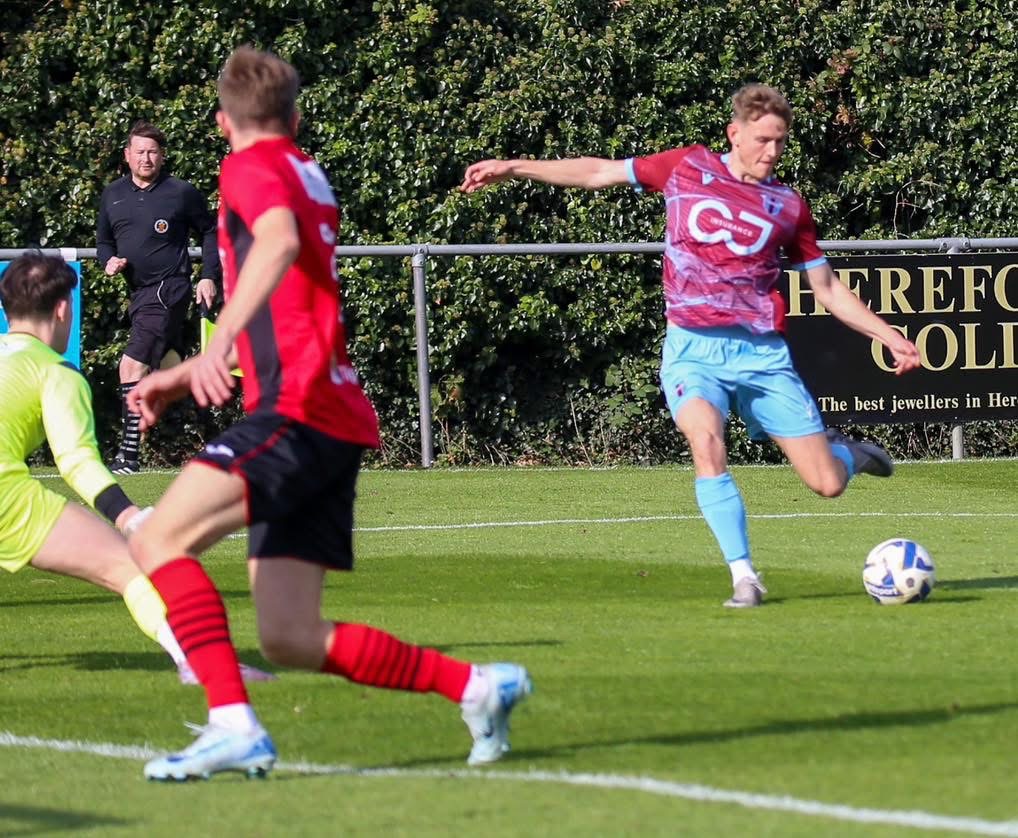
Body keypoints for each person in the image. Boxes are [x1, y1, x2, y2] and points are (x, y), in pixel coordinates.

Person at [128, 46, 531, 782]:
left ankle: (232, 724)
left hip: (299, 408)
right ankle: (474, 687)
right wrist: (187, 373)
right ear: (298, 114)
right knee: (288, 636)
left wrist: (210, 351)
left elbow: (276, 246)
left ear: (223, 121)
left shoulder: (249, 165)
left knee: (157, 537)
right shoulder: (305, 170)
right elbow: (289, 293)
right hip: (333, 415)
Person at [461, 83, 922, 608]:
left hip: (762, 357)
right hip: (693, 350)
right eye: (763, 140)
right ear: (735, 133)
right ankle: (744, 576)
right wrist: (513, 166)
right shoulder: (686, 168)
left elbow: (829, 289)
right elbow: (599, 171)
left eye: (780, 142)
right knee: (706, 443)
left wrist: (888, 335)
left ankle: (851, 455)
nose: (771, 152)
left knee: (827, 484)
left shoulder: (788, 207)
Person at [0, 252, 193, 679]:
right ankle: (197, 663)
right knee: (129, 566)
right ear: (64, 308)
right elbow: (76, 460)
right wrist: (128, 517)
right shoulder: (56, 372)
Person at [97, 119, 222, 475]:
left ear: (162, 156)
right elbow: (104, 241)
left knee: (130, 365)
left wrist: (208, 276)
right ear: (127, 155)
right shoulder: (113, 194)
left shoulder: (180, 193)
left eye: (153, 152)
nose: (146, 158)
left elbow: (210, 230)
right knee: (168, 368)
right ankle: (207, 421)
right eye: (140, 152)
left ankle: (129, 457)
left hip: (170, 288)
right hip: (139, 294)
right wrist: (109, 262)